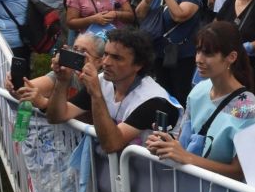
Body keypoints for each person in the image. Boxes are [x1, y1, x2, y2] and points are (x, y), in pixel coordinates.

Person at [146, 22, 255, 178]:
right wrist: (168, 144)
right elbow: (184, 142)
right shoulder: (199, 90)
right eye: (198, 51)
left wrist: (188, 158)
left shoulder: (247, 107)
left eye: (208, 54)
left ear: (231, 57)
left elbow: (239, 171)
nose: (199, 59)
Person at [45, 27, 180, 152]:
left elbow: (111, 144)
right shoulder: (102, 81)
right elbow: (57, 116)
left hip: (154, 176)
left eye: (117, 58)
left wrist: (96, 95)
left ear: (138, 65)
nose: (106, 62)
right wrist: (62, 82)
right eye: (105, 54)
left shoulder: (154, 100)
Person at [135, 0, 202, 104]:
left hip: (181, 53)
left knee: (180, 91)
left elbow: (179, 16)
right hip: (158, 51)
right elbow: (139, 15)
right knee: (161, 90)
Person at [5, 32, 105, 110]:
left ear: (100, 61)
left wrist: (44, 103)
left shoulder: (106, 83)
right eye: (75, 49)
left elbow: (87, 117)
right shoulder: (65, 73)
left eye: (84, 52)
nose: (77, 55)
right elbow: (22, 92)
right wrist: (13, 84)